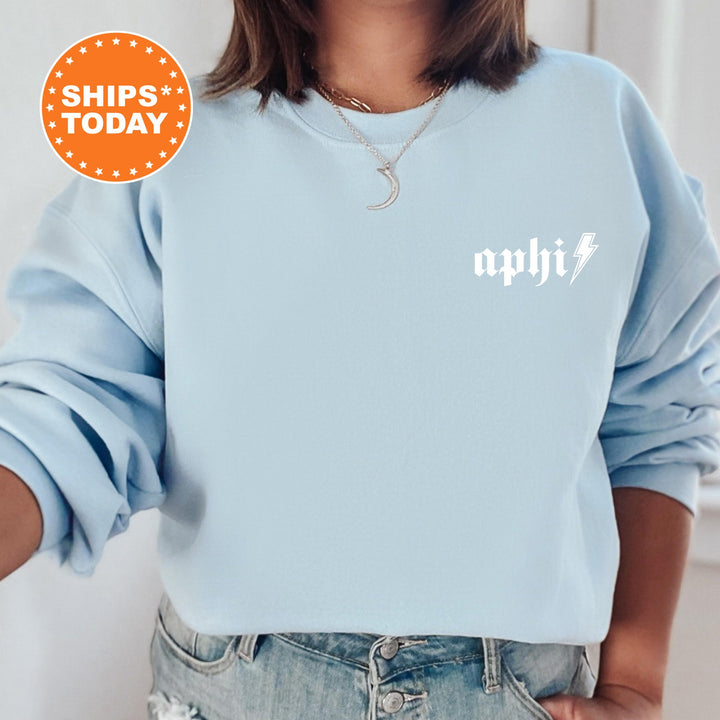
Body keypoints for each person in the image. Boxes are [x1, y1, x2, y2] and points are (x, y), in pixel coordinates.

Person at [1, 1, 719, 718]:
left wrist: (636, 683)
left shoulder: (595, 122)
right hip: (236, 689)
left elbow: (658, 412)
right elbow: (66, 411)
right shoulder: (164, 139)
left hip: (519, 695)